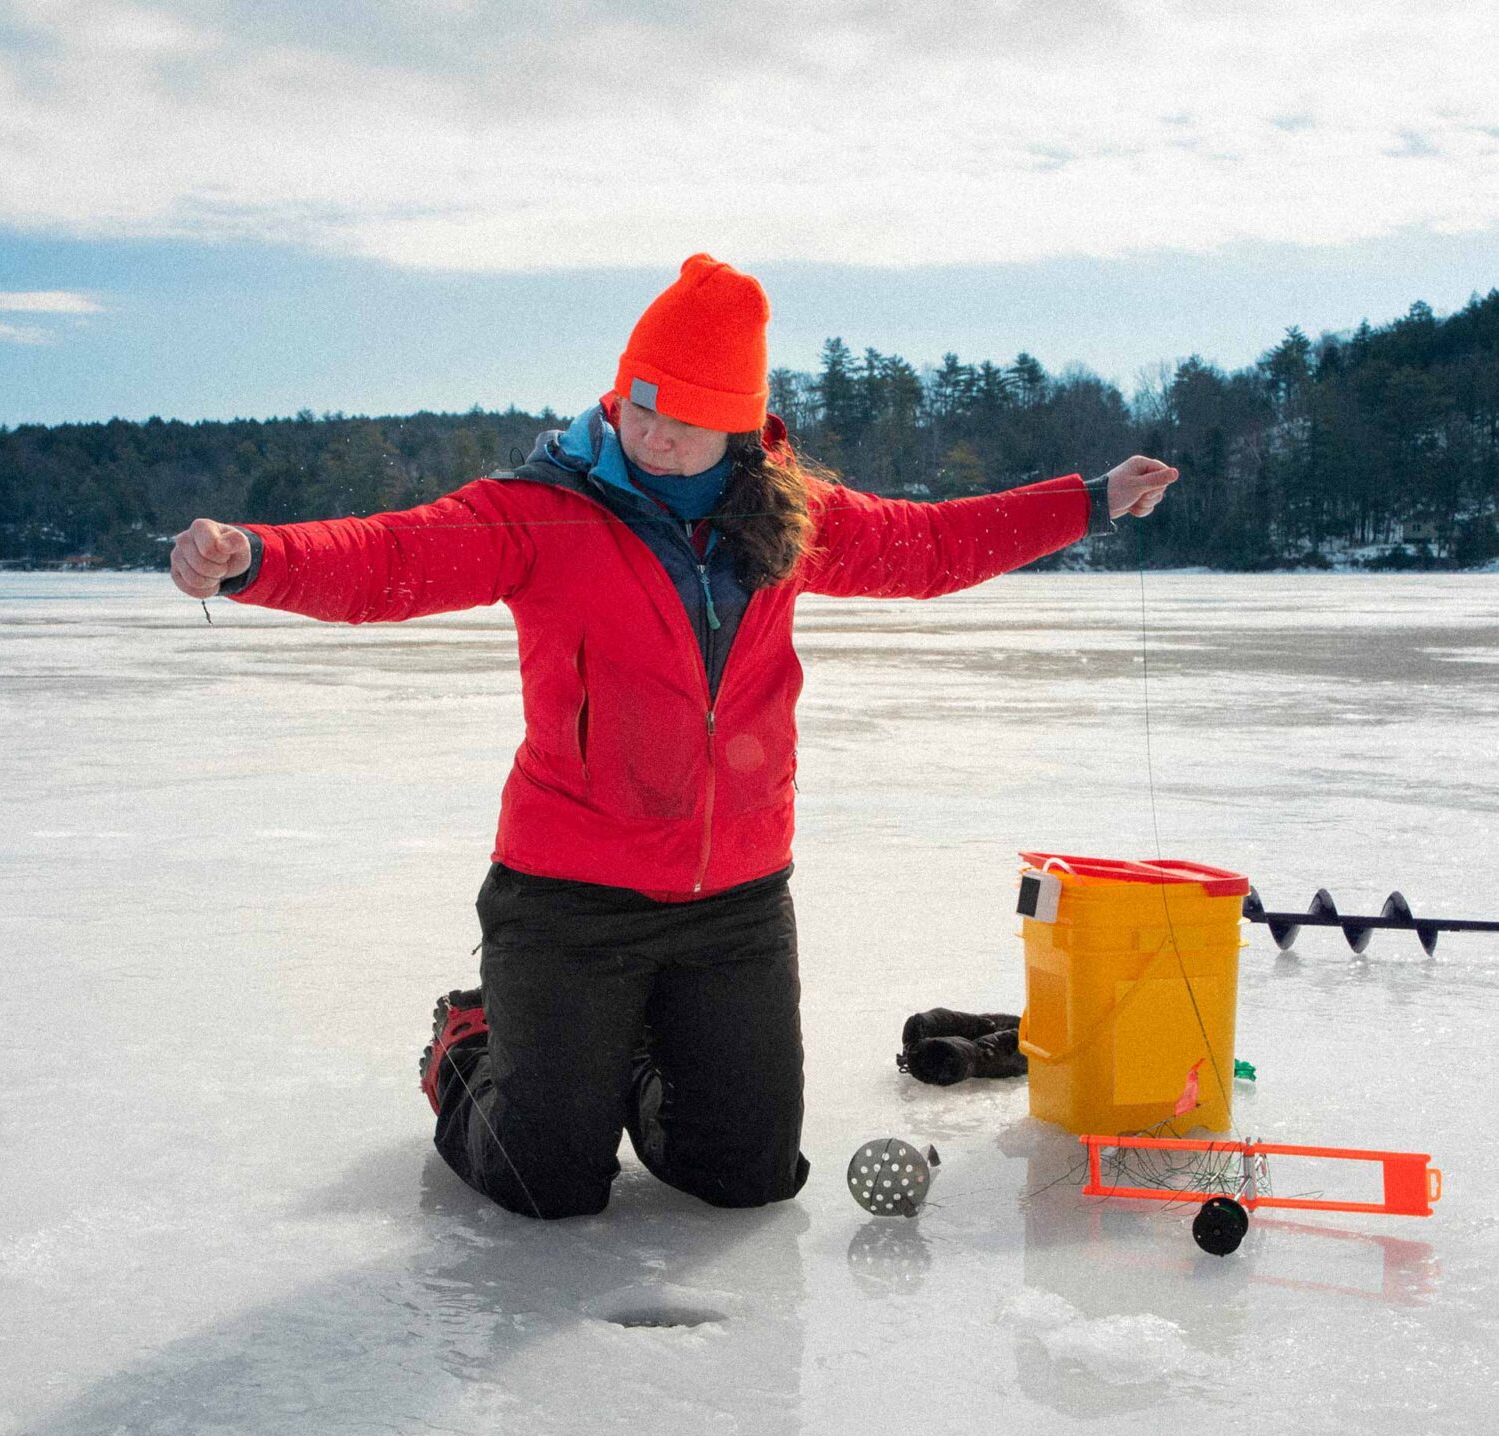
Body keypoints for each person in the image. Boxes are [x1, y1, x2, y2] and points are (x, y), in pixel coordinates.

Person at [170, 253, 1178, 1221]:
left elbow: (932, 546)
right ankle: (470, 1041)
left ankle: (634, 1053)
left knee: (746, 1176)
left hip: (733, 903)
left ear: (740, 426)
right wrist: (255, 559)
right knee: (546, 1185)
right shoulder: (543, 510)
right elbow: (393, 556)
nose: (660, 436)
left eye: (691, 420)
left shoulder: (789, 517)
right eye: (644, 407)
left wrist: (1089, 502)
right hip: (569, 896)